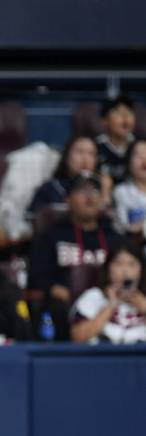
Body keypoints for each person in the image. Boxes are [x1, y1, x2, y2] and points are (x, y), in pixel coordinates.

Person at [28, 172, 124, 340]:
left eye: (95, 191)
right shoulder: (51, 237)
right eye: (81, 190)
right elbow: (37, 276)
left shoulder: (115, 238)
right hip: (65, 305)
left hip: (108, 302)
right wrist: (56, 290)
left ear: (102, 199)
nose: (89, 196)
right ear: (67, 200)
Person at [70, 243, 146, 344]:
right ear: (108, 268)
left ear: (141, 270)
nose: (125, 271)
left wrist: (144, 306)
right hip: (102, 357)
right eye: (119, 263)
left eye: (131, 264)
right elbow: (77, 338)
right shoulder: (93, 297)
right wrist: (110, 306)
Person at [27, 135, 105, 221]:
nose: (85, 158)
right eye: (79, 152)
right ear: (67, 157)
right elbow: (31, 222)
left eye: (91, 154)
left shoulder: (101, 189)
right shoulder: (50, 188)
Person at [95, 95, 136, 185]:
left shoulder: (140, 147)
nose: (125, 118)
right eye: (118, 113)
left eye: (129, 112)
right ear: (104, 121)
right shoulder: (94, 148)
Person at [112, 139, 146, 243]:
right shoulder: (120, 192)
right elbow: (122, 229)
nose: (144, 159)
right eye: (138, 155)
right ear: (129, 162)